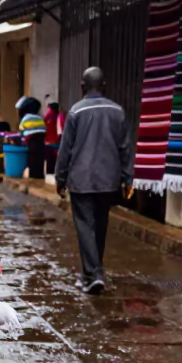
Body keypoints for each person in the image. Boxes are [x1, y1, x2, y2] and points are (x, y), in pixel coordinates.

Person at [55, 66, 133, 295]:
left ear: (82, 86)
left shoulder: (76, 112)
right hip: (108, 180)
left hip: (81, 180)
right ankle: (92, 273)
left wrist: (60, 178)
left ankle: (94, 274)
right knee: (100, 225)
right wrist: (128, 177)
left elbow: (65, 149)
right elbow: (125, 148)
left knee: (85, 226)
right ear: (104, 86)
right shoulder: (117, 111)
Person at [16, 96, 47, 180]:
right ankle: (39, 177)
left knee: (32, 162)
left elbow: (21, 131)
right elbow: (44, 131)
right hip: (41, 144)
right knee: (39, 161)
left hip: (31, 144)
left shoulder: (25, 119)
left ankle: (33, 178)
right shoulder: (40, 119)